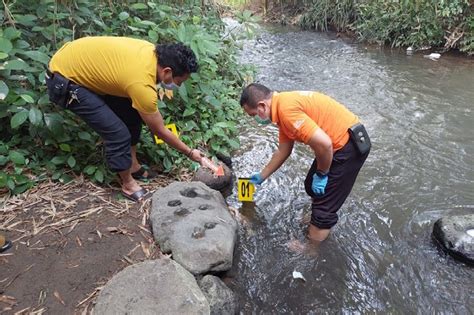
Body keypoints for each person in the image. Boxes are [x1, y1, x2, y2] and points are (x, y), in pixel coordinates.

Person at [46, 36, 205, 202]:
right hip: (63, 79)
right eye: (179, 81)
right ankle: (128, 184)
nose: (177, 86)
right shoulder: (141, 84)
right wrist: (190, 152)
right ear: (167, 71)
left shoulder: (150, 52)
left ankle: (134, 165)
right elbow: (159, 130)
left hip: (76, 61)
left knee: (133, 113)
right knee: (117, 133)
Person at [240, 83, 370, 241]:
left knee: (324, 208)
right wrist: (261, 176)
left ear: (262, 105)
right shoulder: (281, 107)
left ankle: (312, 250)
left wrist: (322, 174)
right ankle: (316, 215)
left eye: (253, 115)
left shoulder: (287, 111)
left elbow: (324, 144)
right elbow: (283, 151)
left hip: (349, 146)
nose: (256, 120)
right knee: (311, 185)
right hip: (339, 143)